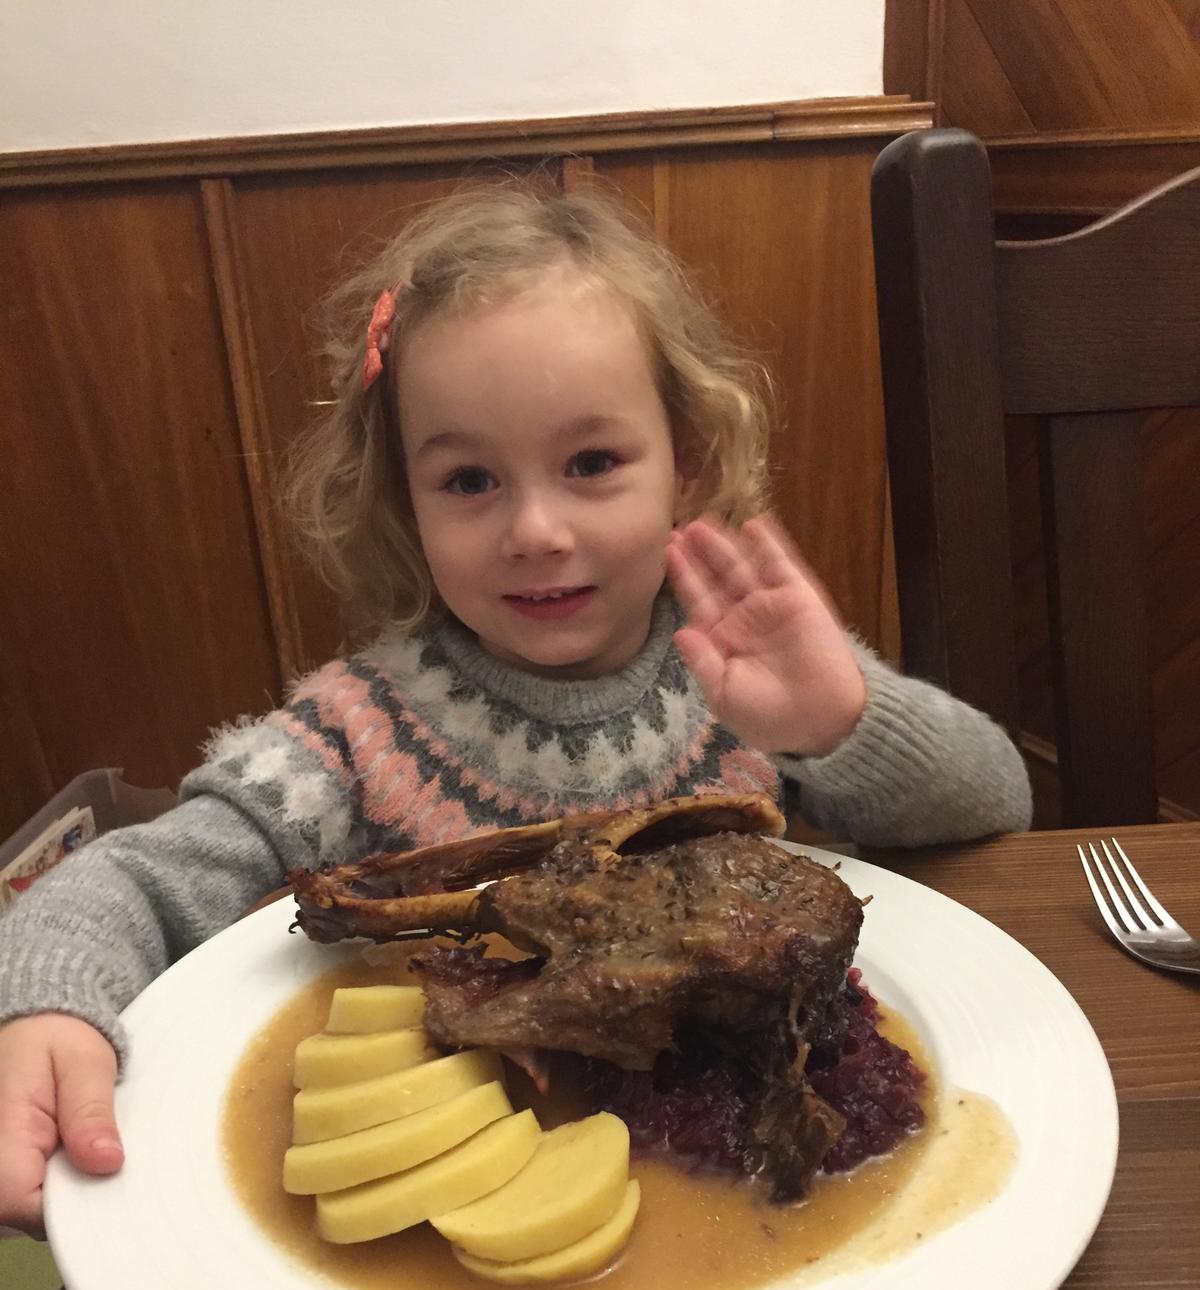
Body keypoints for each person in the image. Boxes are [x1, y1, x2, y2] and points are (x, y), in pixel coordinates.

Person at [0, 182, 1031, 1233]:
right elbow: (128, 879)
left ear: (686, 462)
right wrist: (43, 1007)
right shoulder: (354, 732)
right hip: (463, 1189)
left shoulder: (750, 684)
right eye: (469, 481)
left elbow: (999, 800)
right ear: (403, 501)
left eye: (592, 463)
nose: (536, 530)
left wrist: (839, 725)